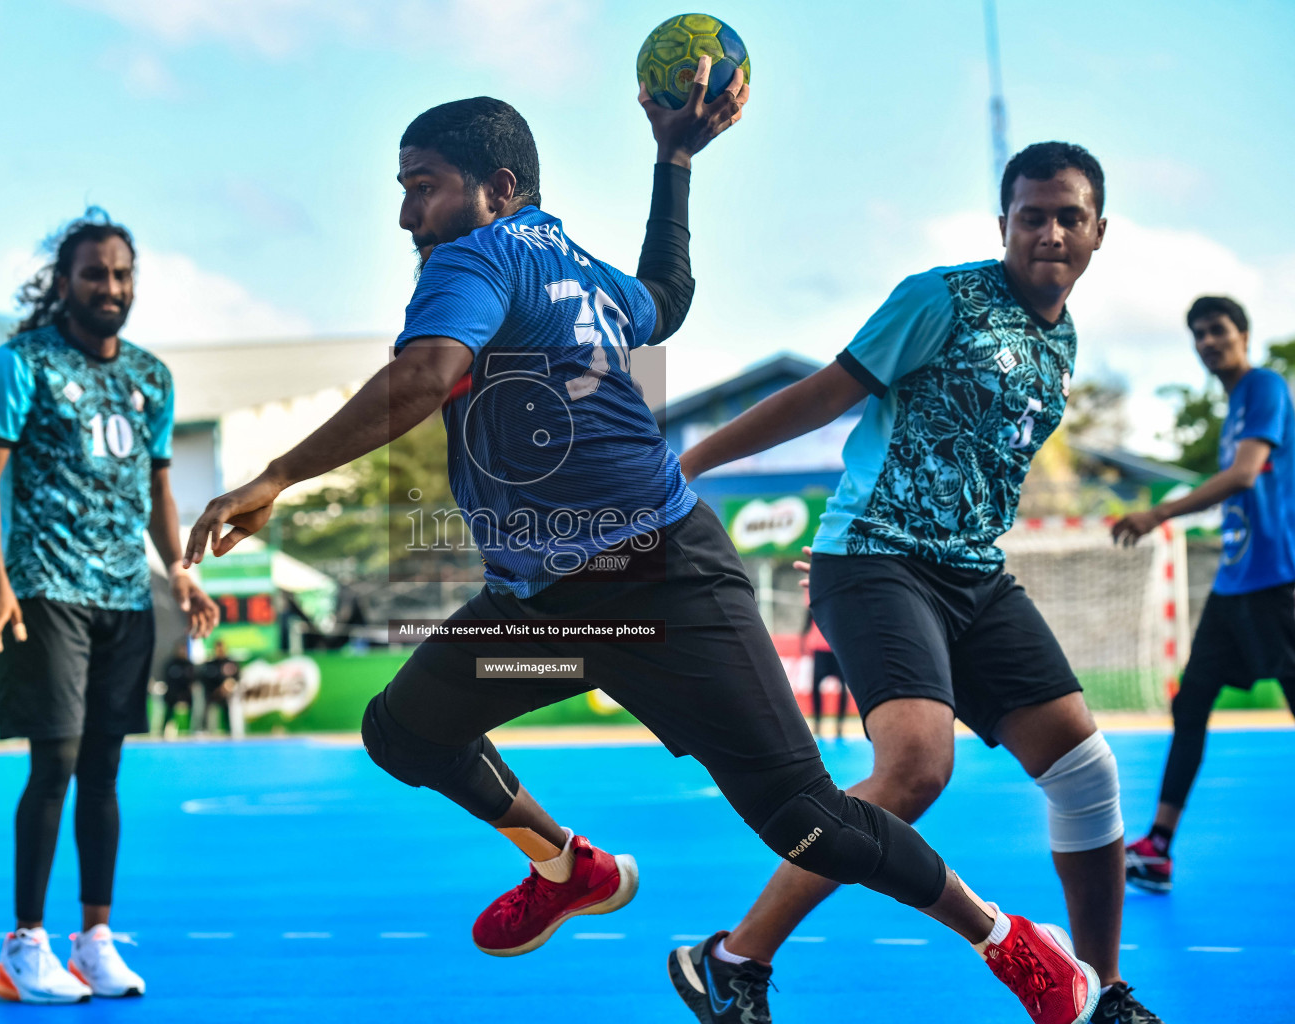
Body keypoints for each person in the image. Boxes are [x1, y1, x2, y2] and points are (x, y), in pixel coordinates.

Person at [187, 71, 1100, 1024]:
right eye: (404, 188)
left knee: (804, 817)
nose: (409, 213)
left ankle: (1007, 939)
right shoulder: (568, 265)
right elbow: (666, 293)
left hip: (662, 588)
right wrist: (672, 162)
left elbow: (424, 373)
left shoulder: (474, 258)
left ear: (498, 189)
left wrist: (274, 476)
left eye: (424, 184)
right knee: (403, 730)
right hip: (542, 606)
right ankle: (568, 865)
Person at [680, 142, 1160, 1024]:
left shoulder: (1064, 337)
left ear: (1099, 232)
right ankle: (733, 959)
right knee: (912, 770)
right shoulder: (940, 298)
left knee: (1088, 774)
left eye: (1069, 217)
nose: (1049, 231)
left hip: (973, 574)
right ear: (1004, 224)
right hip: (877, 559)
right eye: (1031, 216)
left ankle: (1097, 993)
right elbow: (825, 394)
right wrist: (696, 459)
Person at [0, 209, 218, 1004]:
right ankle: (24, 946)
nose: (110, 287)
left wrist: (178, 570)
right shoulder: (20, 364)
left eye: (121, 274)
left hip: (124, 597)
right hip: (46, 589)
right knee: (56, 764)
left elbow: (156, 486)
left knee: (105, 771)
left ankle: (96, 940)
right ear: (64, 282)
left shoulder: (151, 377)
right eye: (94, 274)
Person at [1113, 295, 1295, 894]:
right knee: (1190, 704)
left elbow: (1244, 476)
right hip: (1234, 583)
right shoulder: (1234, 408)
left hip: (1277, 582)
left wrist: (1159, 512)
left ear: (1243, 334)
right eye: (1198, 335)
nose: (1209, 342)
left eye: (1218, 330)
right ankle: (1159, 847)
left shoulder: (1265, 387)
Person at [801, 604, 847, 739]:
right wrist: (803, 643)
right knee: (816, 686)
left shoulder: (839, 602)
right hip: (820, 649)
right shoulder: (814, 602)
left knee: (843, 687)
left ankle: (840, 724)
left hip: (837, 648)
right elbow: (807, 622)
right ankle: (817, 722)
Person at [158, 641, 195, 738]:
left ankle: (190, 731)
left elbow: (193, 680)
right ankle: (163, 731)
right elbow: (167, 679)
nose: (182, 651)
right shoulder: (170, 664)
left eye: (184, 650)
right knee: (168, 713)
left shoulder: (189, 665)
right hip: (172, 693)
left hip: (186, 694)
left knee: (192, 711)